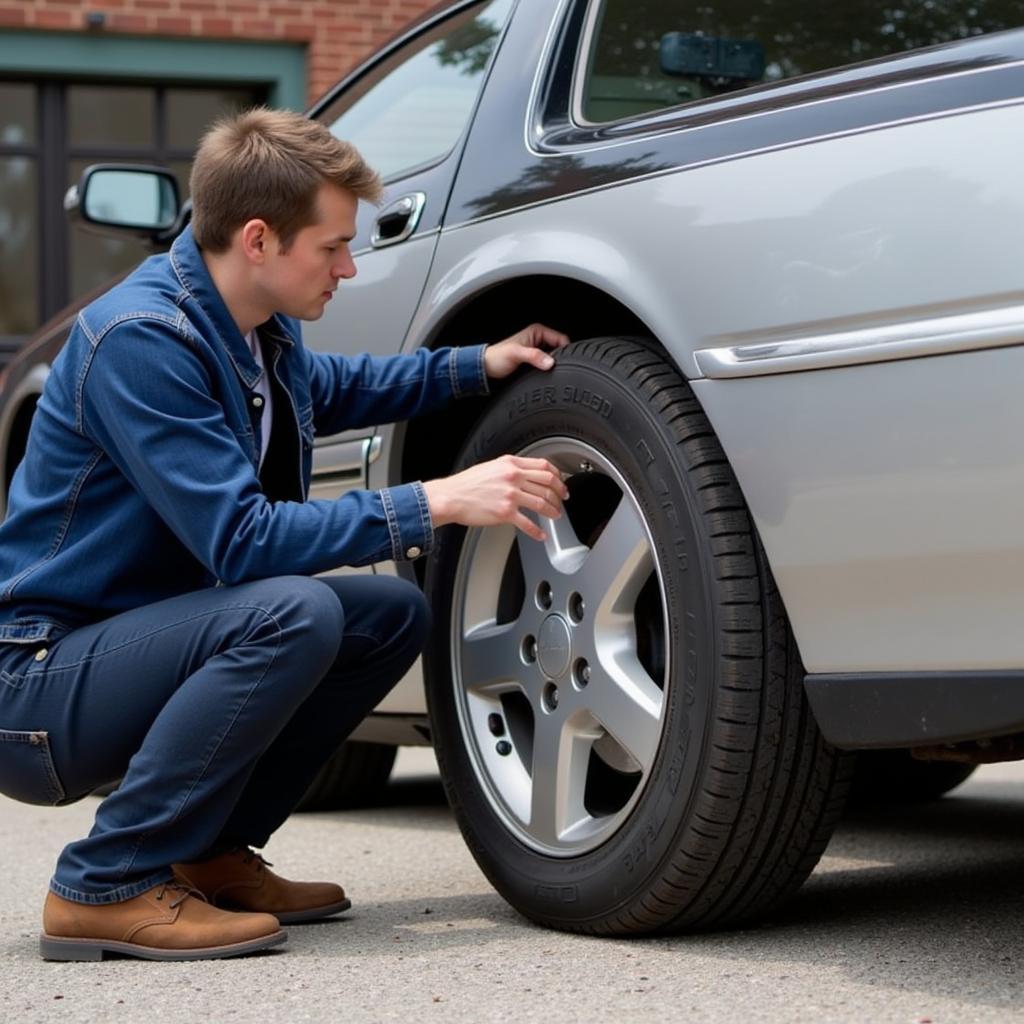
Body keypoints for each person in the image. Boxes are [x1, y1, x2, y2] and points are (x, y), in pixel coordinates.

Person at [0, 108, 569, 962]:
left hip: (130, 653)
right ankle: (104, 882)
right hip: (40, 689)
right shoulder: (142, 339)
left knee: (385, 612)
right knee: (291, 611)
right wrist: (440, 498)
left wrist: (472, 364)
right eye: (332, 246)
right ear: (259, 239)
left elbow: (329, 389)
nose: (348, 265)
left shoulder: (257, 328)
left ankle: (207, 852)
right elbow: (242, 541)